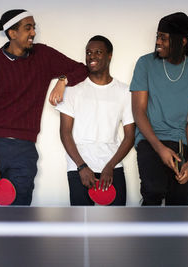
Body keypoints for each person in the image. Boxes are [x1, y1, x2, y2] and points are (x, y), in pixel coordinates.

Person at [0, 9, 88, 205]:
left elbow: (81, 69)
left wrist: (63, 80)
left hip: (24, 149)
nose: (33, 33)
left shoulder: (43, 55)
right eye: (28, 28)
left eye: (34, 27)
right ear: (12, 33)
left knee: (20, 219)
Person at [130, 12, 188, 206]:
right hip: (150, 141)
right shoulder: (145, 64)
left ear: (182, 41)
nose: (158, 42)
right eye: (157, 36)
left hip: (180, 145)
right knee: (154, 191)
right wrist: (160, 148)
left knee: (179, 203)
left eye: (163, 37)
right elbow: (138, 112)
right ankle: (147, 236)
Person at [56, 35, 135, 206]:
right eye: (88, 52)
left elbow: (130, 136)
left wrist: (110, 166)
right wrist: (82, 166)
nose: (92, 56)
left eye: (98, 52)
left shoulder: (125, 91)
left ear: (109, 55)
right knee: (82, 227)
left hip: (112, 168)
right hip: (79, 168)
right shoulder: (72, 90)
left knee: (115, 225)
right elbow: (65, 133)